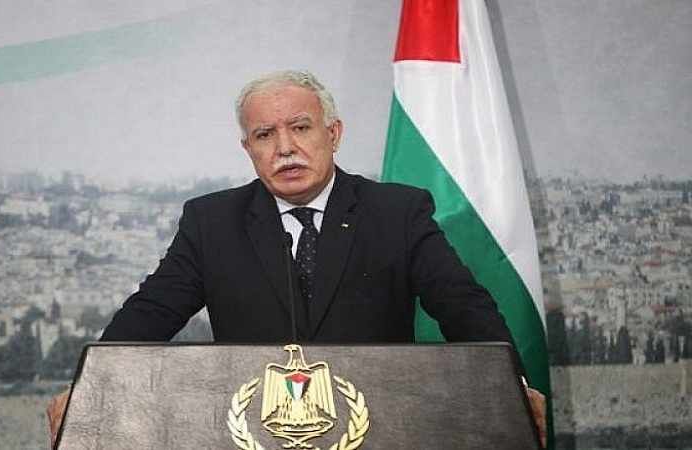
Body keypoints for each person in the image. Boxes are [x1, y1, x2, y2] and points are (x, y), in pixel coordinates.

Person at [47, 69, 546, 447]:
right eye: (265, 135)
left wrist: (512, 386)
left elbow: (462, 304)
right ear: (248, 148)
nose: (285, 148)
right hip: (251, 435)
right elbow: (150, 312)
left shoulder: (395, 212)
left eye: (301, 127)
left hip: (380, 430)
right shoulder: (211, 222)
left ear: (334, 134)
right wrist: (91, 386)